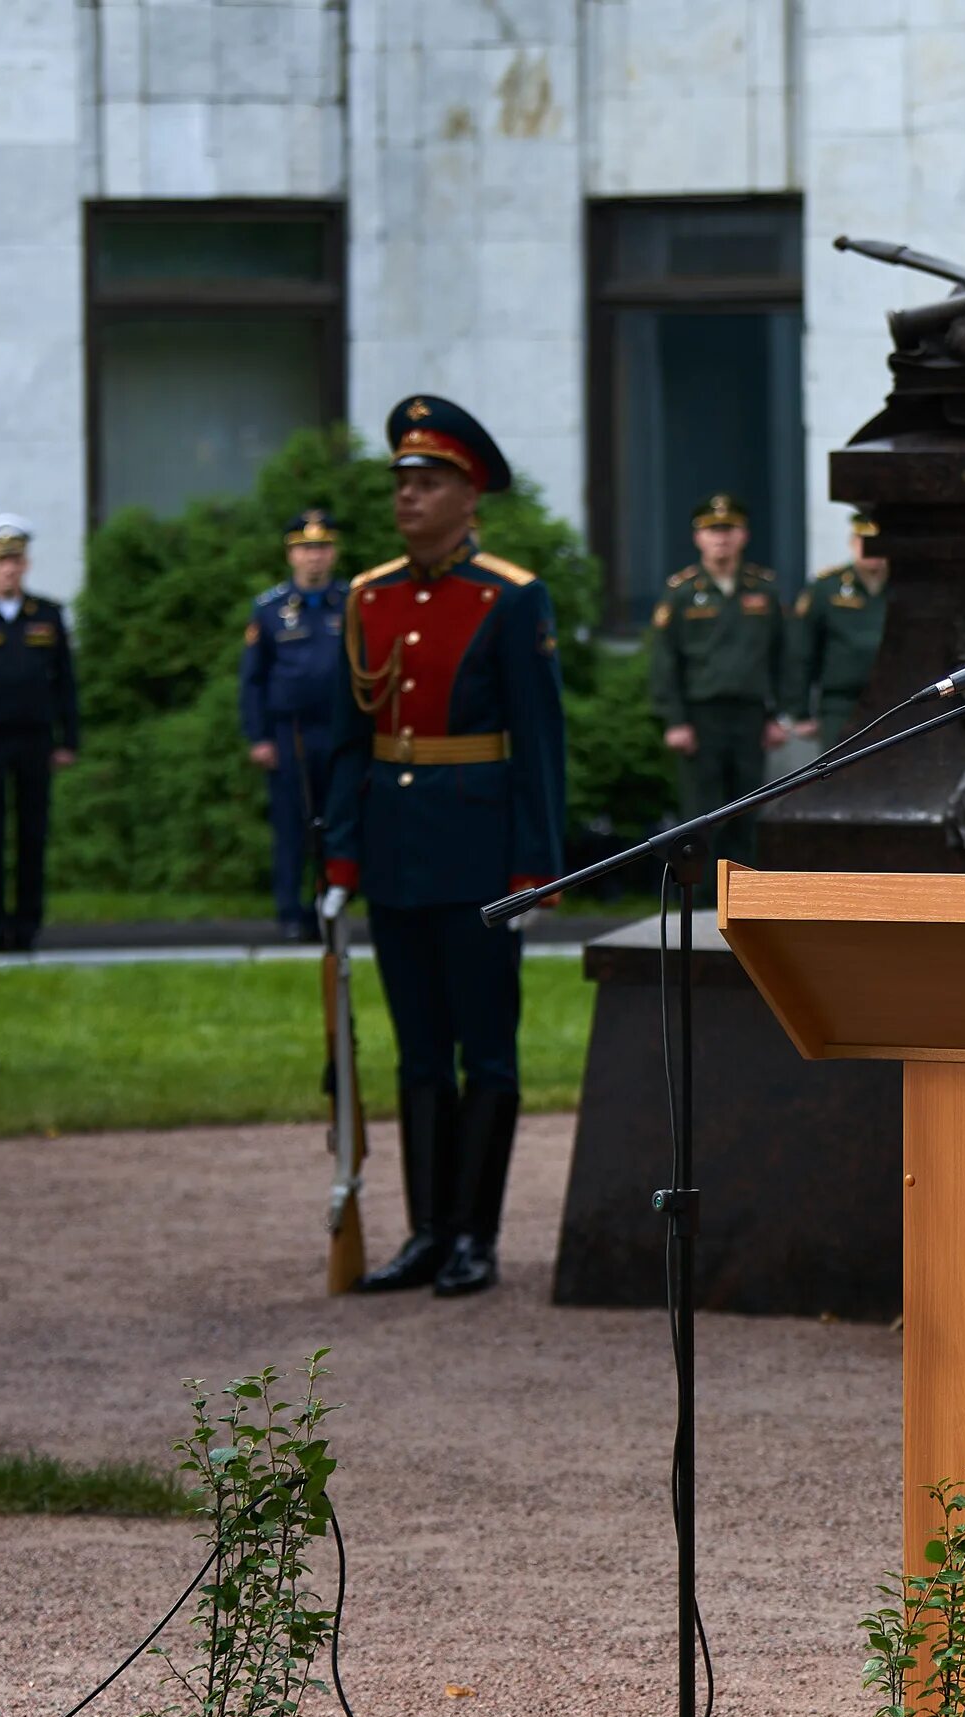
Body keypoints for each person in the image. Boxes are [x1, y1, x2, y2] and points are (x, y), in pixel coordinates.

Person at [323, 395, 566, 1299]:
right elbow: (352, 740)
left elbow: (541, 743)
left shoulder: (509, 596)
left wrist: (538, 864)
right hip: (394, 849)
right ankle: (426, 1230)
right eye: (402, 483)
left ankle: (476, 1236)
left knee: (486, 1051)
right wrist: (341, 862)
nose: (408, 498)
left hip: (480, 852)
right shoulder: (368, 596)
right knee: (418, 1049)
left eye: (427, 483)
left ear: (470, 496)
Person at [647, 493, 786, 876]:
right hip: (701, 715)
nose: (720, 538)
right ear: (698, 538)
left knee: (747, 806)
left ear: (743, 535)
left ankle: (743, 900)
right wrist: (675, 720)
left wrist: (779, 715)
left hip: (750, 714)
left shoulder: (765, 589)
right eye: (712, 531)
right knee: (700, 814)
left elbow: (781, 655)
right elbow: (665, 660)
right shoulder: (681, 591)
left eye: (728, 530)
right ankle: (700, 898)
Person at [0, 516, 77, 953]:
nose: (8, 569)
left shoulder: (46, 615)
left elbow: (65, 682)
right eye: (0, 561)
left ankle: (27, 925)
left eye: (15, 560)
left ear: (25, 564)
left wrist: (68, 740)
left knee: (32, 832)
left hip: (34, 739)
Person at [240, 509, 351, 941]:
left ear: (334, 552)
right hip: (291, 735)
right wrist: (259, 737)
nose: (314, 558)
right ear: (291, 556)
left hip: (339, 733)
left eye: (322, 548)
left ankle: (329, 904)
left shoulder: (352, 602)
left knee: (335, 823)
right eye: (305, 549)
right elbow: (253, 679)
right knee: (291, 825)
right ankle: (290, 912)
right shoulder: (269, 610)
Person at [785, 515, 890, 747]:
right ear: (853, 542)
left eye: (879, 540)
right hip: (840, 704)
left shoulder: (906, 586)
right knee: (838, 775)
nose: (872, 548)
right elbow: (802, 650)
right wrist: (800, 711)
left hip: (895, 702)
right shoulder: (826, 588)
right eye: (865, 539)